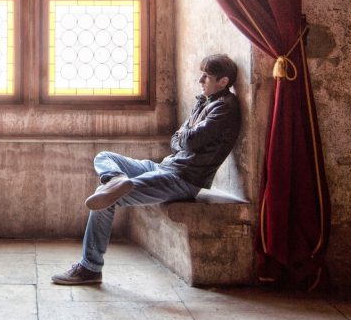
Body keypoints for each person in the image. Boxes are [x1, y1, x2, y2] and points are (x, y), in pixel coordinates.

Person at [52, 53, 242, 285]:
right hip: (165, 166)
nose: (200, 81)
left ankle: (90, 268)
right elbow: (175, 139)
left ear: (223, 82)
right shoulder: (205, 102)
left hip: (181, 179)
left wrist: (184, 136)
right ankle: (115, 178)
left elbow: (188, 140)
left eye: (207, 77)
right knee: (104, 156)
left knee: (105, 199)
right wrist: (184, 136)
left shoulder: (226, 108)